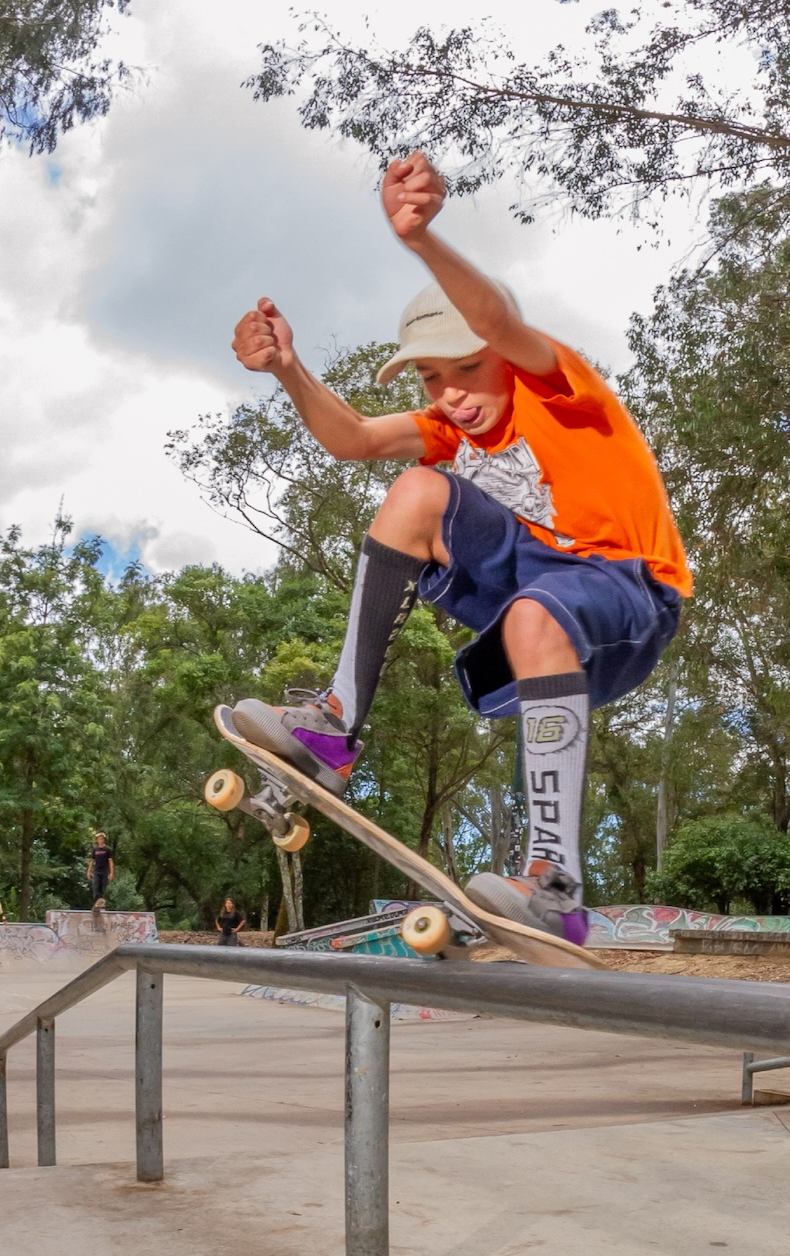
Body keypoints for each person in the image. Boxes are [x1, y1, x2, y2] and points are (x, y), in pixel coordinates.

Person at [226, 152, 691, 947]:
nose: (454, 396)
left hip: (629, 595)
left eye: (469, 370)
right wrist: (289, 369)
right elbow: (355, 440)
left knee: (539, 614)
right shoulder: (447, 428)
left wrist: (421, 239)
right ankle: (336, 727)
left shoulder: (557, 385)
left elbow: (503, 323)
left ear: (503, 357)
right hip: (532, 588)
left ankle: (556, 883)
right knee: (414, 492)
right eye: (434, 379)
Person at [87, 834, 114, 914]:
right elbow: (92, 861)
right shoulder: (95, 849)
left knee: (102, 888)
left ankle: (101, 905)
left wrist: (111, 872)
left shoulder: (107, 849)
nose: (100, 840)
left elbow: (110, 861)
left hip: (104, 871)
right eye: (99, 839)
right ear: (97, 840)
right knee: (96, 888)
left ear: (103, 840)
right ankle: (96, 903)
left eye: (101, 839)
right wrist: (88, 871)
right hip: (96, 871)